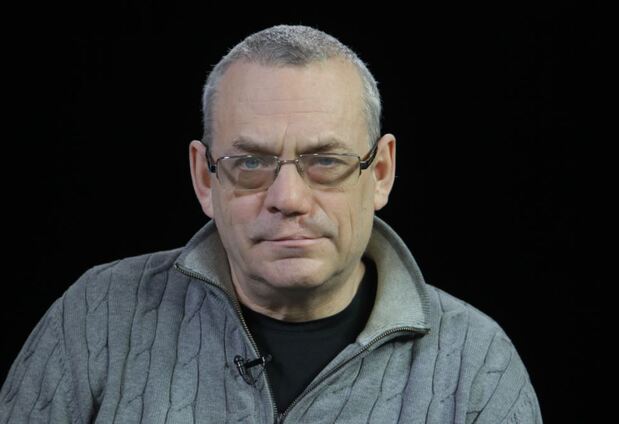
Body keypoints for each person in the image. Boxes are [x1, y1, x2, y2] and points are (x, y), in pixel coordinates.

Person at [0, 25, 542, 423]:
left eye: (325, 161)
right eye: (251, 163)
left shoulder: (477, 366)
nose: (288, 199)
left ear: (380, 172)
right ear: (205, 178)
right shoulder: (94, 319)